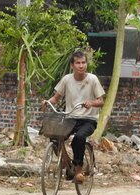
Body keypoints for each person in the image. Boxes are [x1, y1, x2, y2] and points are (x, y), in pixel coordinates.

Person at [43, 50, 105, 183]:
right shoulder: (67, 79)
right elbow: (56, 98)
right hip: (71, 118)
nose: (81, 66)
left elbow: (101, 101)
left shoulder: (92, 79)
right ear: (72, 65)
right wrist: (47, 102)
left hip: (88, 120)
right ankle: (66, 162)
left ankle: (78, 171)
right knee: (55, 136)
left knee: (79, 137)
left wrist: (91, 102)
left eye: (83, 63)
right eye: (78, 63)